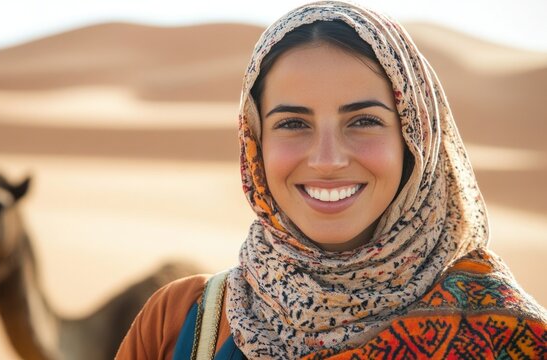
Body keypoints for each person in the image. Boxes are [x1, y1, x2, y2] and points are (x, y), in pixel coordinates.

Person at [116, 1, 547, 359]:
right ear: (254, 142)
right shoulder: (182, 323)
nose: (327, 160)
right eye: (292, 123)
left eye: (363, 120)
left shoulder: (511, 339)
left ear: (416, 138)